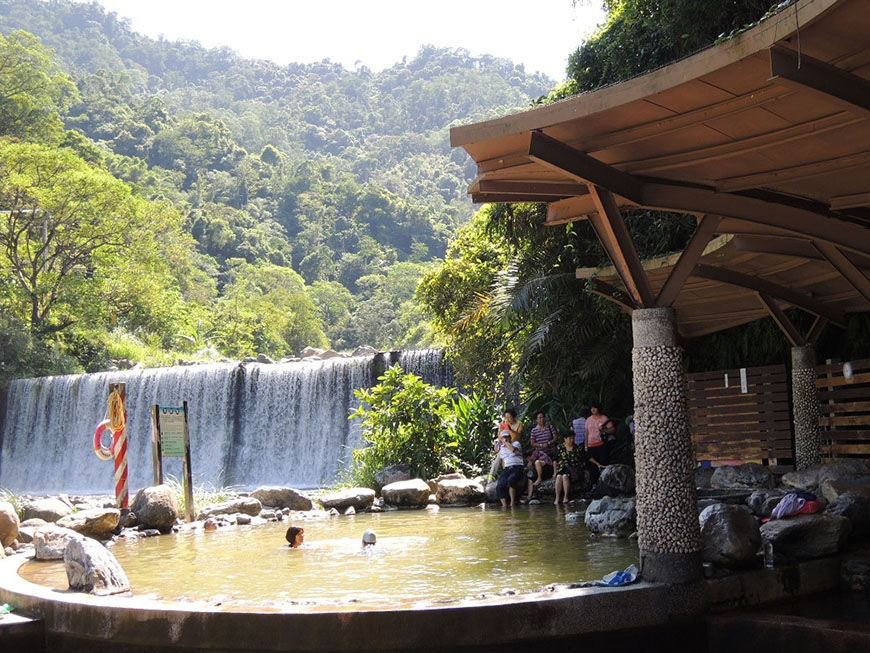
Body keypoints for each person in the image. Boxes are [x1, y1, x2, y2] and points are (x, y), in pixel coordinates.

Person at [487, 408, 523, 481]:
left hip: (514, 445)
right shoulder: (504, 423)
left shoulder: (519, 424)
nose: (508, 419)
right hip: (505, 444)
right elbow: (499, 435)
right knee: (499, 458)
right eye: (506, 417)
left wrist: (510, 429)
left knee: (508, 459)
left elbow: (519, 435)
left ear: (513, 416)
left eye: (509, 417)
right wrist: (503, 441)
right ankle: (491, 476)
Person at [526, 411, 557, 492]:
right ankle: (539, 478)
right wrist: (540, 445)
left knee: (555, 461)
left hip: (552, 451)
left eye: (542, 417)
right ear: (536, 420)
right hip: (542, 454)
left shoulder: (550, 427)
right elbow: (532, 443)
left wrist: (549, 443)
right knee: (537, 462)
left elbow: (555, 437)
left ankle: (555, 474)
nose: (541, 419)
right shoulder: (534, 430)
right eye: (539, 418)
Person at [495, 426, 525, 507]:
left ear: (509, 437)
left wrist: (505, 442)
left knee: (511, 480)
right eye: (503, 437)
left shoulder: (516, 443)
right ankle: (504, 505)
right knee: (500, 484)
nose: (505, 438)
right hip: (508, 468)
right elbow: (502, 460)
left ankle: (512, 502)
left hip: (517, 467)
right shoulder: (502, 448)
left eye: (506, 437)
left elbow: (513, 450)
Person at [585, 402, 615, 484]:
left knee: (603, 463)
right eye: (591, 408)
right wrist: (586, 445)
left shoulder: (604, 418)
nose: (593, 410)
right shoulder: (588, 420)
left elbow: (612, 429)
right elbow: (587, 433)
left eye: (595, 408)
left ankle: (605, 483)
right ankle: (594, 484)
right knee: (592, 467)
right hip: (591, 445)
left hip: (601, 444)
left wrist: (603, 430)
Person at [553, 432, 585, 504]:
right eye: (570, 438)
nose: (572, 440)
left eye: (573, 438)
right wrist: (554, 472)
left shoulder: (578, 448)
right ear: (565, 439)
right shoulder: (559, 448)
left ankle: (566, 496)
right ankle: (557, 497)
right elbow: (555, 460)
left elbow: (583, 460)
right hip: (562, 468)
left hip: (573, 469)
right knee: (558, 476)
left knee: (565, 476)